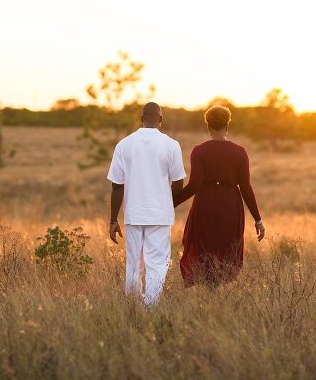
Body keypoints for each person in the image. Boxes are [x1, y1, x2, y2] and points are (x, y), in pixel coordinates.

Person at [173, 105, 265, 287]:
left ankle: (209, 290)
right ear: (227, 124)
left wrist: (170, 203)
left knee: (205, 247)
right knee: (225, 248)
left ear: (208, 125)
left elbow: (193, 186)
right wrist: (258, 219)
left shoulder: (199, 151)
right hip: (230, 205)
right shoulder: (240, 152)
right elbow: (246, 187)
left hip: (205, 203)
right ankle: (216, 290)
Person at [107, 102, 186, 306]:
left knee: (133, 264)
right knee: (157, 263)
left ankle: (133, 306)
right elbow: (178, 185)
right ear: (161, 120)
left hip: (133, 214)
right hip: (160, 215)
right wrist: (167, 205)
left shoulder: (124, 145)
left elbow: (117, 187)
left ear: (141, 119)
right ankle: (150, 308)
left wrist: (113, 220)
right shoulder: (171, 145)